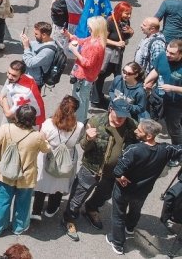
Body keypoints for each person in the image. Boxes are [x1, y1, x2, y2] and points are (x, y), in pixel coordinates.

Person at [62, 100, 137, 241]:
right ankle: (69, 219)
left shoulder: (131, 125)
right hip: (92, 168)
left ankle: (91, 208)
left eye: (124, 115)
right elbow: (84, 146)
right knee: (78, 196)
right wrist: (89, 139)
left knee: (104, 195)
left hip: (114, 172)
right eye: (118, 114)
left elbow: (137, 143)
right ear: (110, 109)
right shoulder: (96, 121)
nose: (121, 118)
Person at [107, 119, 182, 254]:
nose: (135, 131)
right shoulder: (165, 149)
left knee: (118, 214)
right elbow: (179, 149)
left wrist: (120, 177)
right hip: (143, 192)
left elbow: (117, 170)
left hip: (124, 190)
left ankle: (117, 243)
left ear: (148, 136)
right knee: (136, 210)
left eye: (139, 130)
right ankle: (129, 228)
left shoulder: (134, 149)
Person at [0, 105, 51, 238]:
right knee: (23, 203)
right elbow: (46, 149)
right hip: (26, 177)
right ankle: (18, 227)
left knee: (2, 202)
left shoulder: (6, 129)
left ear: (17, 116)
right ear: (33, 119)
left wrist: (2, 152)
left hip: (5, 174)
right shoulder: (36, 136)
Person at [32, 96, 84, 219]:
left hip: (47, 157)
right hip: (66, 159)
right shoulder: (80, 127)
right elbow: (78, 141)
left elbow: (40, 140)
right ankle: (51, 209)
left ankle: (36, 211)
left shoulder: (48, 124)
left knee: (41, 186)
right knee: (58, 186)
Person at [65, 16, 108, 122]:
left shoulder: (96, 45)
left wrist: (75, 52)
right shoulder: (94, 38)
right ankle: (82, 121)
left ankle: (79, 123)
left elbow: (88, 63)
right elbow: (81, 41)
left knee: (79, 101)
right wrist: (70, 36)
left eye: (90, 27)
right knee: (83, 100)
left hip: (83, 77)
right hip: (86, 76)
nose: (88, 28)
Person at [93, 2, 134, 107]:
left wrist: (131, 32)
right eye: (126, 13)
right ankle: (96, 99)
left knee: (117, 75)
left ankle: (115, 100)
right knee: (102, 75)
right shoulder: (110, 21)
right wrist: (116, 43)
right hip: (109, 54)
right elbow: (102, 39)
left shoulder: (125, 21)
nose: (129, 16)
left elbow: (125, 36)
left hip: (118, 54)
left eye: (130, 13)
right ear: (120, 12)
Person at [20, 22, 59, 87]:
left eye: (36, 34)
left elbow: (30, 63)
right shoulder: (43, 41)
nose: (34, 35)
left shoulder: (47, 51)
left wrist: (26, 47)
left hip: (34, 82)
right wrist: (24, 41)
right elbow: (31, 45)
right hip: (28, 77)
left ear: (44, 35)